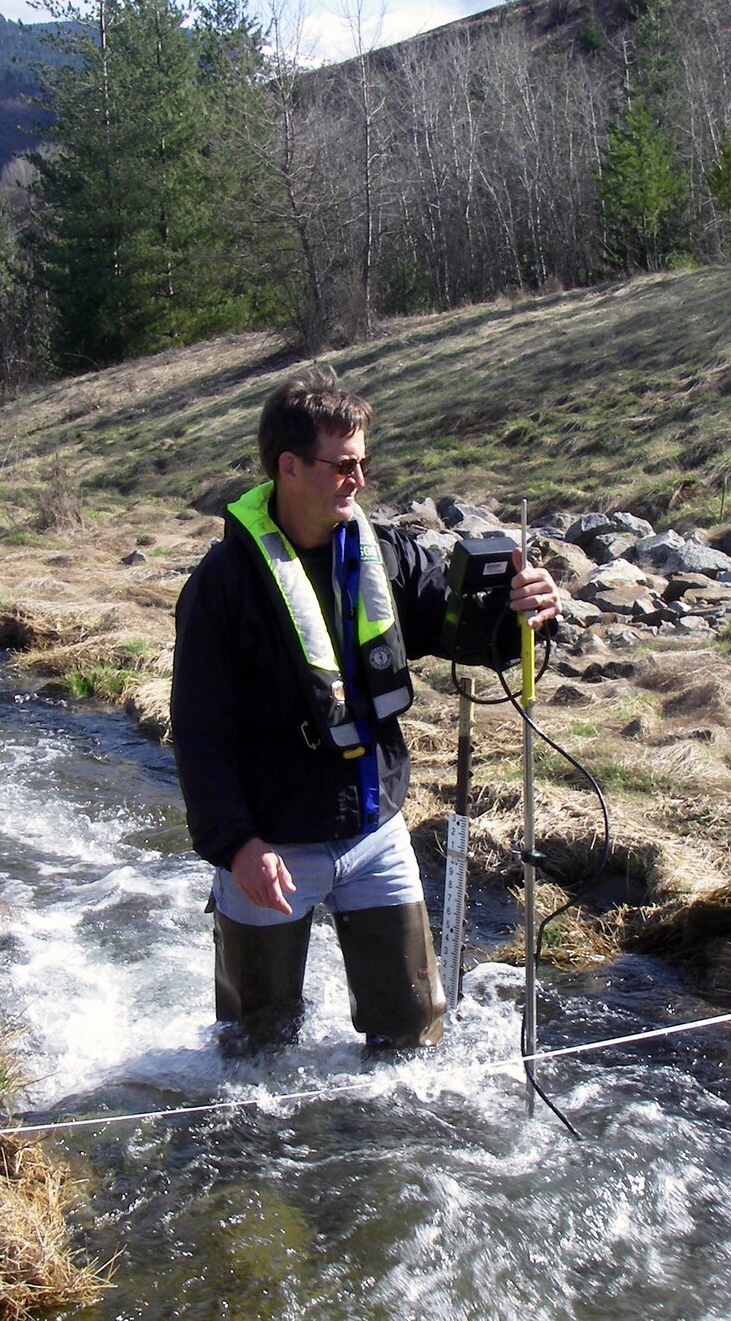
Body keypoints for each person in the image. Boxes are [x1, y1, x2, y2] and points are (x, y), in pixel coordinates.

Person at [169, 367, 561, 1051]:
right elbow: (199, 732)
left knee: (412, 1036)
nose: (359, 479)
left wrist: (525, 614)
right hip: (269, 847)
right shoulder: (222, 584)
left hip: (375, 833)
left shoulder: (385, 554)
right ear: (289, 466)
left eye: (363, 462)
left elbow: (464, 632)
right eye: (343, 464)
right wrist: (235, 846)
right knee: (255, 1052)